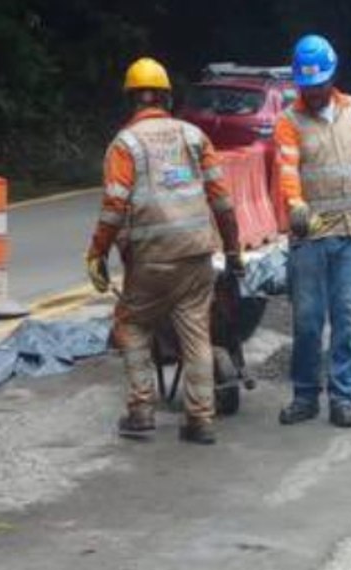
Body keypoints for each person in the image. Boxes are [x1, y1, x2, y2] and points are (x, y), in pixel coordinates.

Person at [85, 57, 244, 445]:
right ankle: (201, 419)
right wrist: (234, 251)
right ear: (167, 98)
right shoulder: (193, 137)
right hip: (196, 256)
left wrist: (97, 253)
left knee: (132, 324)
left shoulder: (125, 144)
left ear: (131, 100)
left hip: (151, 259)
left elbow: (114, 206)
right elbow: (222, 201)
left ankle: (141, 412)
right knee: (195, 332)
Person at [274, 34, 351, 428]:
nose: (315, 92)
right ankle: (306, 395)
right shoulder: (289, 122)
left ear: (332, 76)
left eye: (320, 83)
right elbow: (287, 169)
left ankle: (342, 397)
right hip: (312, 234)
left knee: (349, 318)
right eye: (308, 86)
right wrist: (295, 204)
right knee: (307, 320)